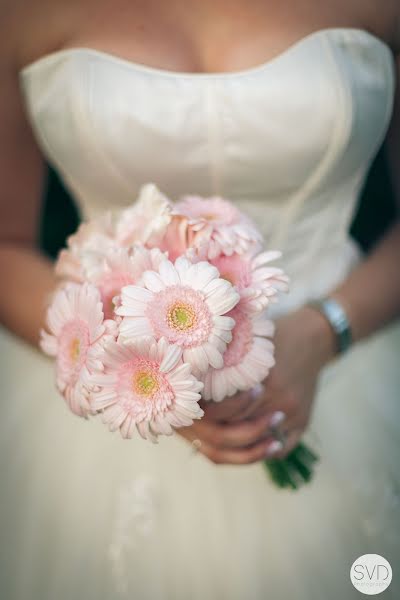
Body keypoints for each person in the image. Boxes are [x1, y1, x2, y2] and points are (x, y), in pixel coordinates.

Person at [1, 1, 400, 598]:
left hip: (348, 358)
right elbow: (5, 244)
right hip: (115, 405)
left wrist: (323, 330)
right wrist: (135, 368)